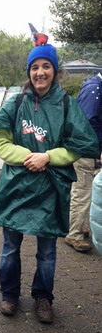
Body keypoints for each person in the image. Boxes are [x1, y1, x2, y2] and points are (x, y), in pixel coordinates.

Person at [0, 41, 99, 324]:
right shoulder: (15, 102)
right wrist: (28, 156)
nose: (40, 72)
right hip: (16, 187)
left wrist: (47, 157)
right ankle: (9, 295)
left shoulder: (66, 104)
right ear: (29, 72)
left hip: (50, 188)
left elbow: (79, 145)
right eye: (35, 67)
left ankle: (43, 297)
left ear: (55, 71)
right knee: (10, 248)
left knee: (47, 250)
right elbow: (0, 142)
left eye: (46, 66)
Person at [65, 72, 102, 252]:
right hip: (84, 151)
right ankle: (74, 234)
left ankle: (78, 227)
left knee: (83, 190)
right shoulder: (95, 89)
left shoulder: (92, 86)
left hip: (84, 150)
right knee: (82, 191)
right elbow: (89, 122)